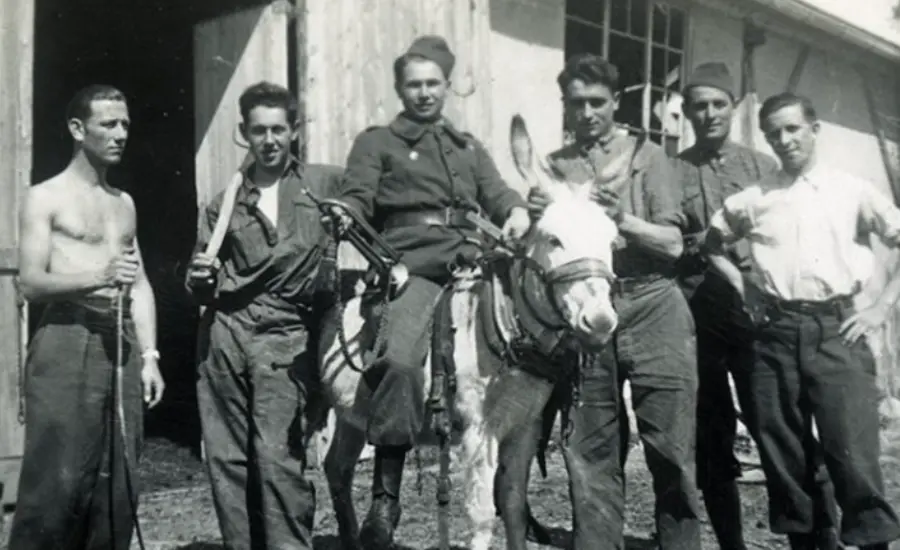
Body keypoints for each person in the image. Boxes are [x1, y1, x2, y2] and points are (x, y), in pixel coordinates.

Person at [333, 35, 531, 549]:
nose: (424, 93)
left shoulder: (466, 146)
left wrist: (514, 211)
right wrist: (345, 212)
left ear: (447, 86)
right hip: (412, 266)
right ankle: (386, 496)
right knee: (399, 362)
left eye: (433, 83)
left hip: (473, 263)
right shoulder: (377, 143)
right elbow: (356, 196)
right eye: (413, 84)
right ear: (400, 89)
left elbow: (498, 191)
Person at [705, 91, 900, 550]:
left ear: (814, 130)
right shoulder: (755, 199)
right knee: (785, 458)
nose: (784, 140)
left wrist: (880, 307)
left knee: (852, 455)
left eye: (793, 129)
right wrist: (744, 285)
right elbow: (712, 245)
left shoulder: (851, 189)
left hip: (837, 331)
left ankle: (872, 543)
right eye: (774, 133)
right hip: (773, 335)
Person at [528, 53, 701, 549]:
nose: (586, 113)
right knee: (590, 444)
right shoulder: (555, 167)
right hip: (586, 309)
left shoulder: (651, 157)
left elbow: (671, 243)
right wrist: (535, 209)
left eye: (597, 102)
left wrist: (621, 219)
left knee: (669, 446)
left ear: (617, 102)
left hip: (652, 304)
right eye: (576, 103)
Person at [674, 63, 840, 550]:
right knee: (711, 435)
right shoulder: (672, 169)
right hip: (698, 315)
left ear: (734, 107)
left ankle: (816, 540)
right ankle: (732, 544)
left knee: (781, 427)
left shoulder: (761, 168)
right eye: (698, 106)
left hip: (758, 315)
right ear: (685, 112)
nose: (709, 114)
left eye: (718, 104)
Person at [185, 81, 341, 550]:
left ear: (294, 130)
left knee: (279, 459)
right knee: (228, 462)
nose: (269, 140)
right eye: (259, 131)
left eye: (278, 129)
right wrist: (199, 276)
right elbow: (197, 283)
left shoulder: (323, 186)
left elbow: (378, 203)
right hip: (225, 335)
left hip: (287, 336)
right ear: (244, 133)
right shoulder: (223, 202)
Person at [8, 84, 165, 550]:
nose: (120, 134)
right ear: (78, 129)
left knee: (118, 481)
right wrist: (99, 274)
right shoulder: (45, 197)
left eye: (125, 125)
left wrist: (152, 355)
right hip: (64, 340)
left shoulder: (124, 202)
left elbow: (139, 284)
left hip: (120, 346)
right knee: (56, 483)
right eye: (108, 124)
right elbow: (30, 282)